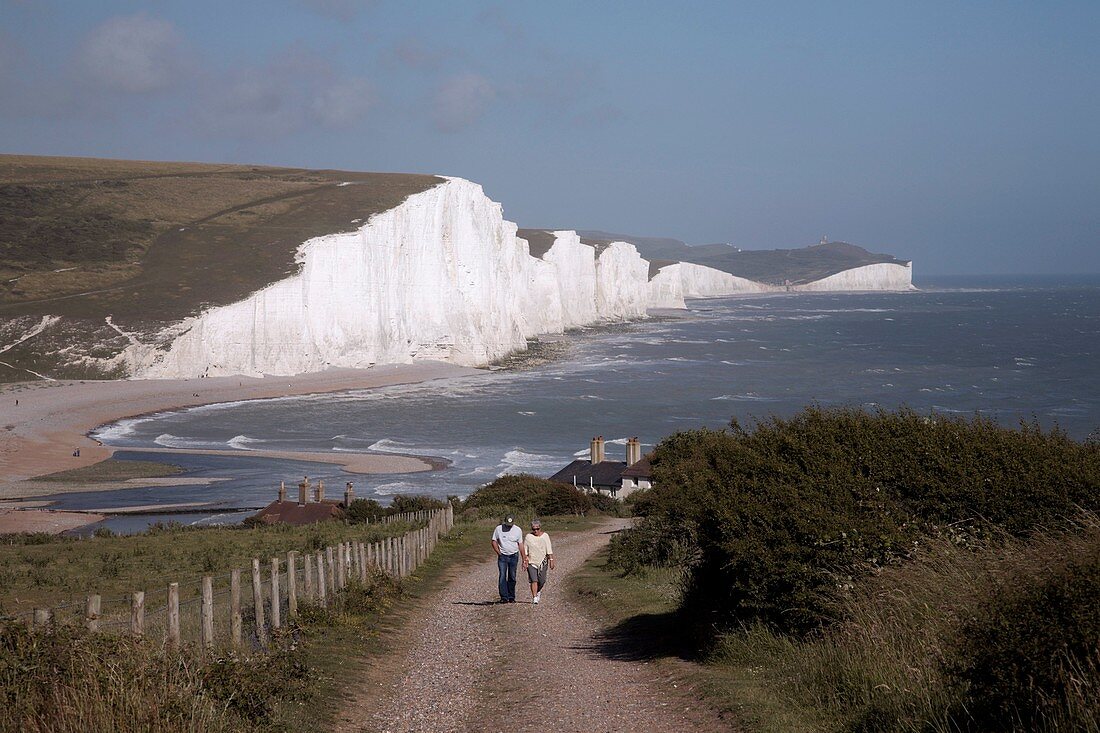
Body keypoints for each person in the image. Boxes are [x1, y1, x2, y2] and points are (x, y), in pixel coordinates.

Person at [491, 515, 526, 603]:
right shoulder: (498, 529)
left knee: (512, 576)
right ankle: (504, 597)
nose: (508, 526)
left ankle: (511, 596)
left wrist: (524, 558)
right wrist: (498, 552)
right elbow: (494, 541)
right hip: (503, 556)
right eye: (507, 524)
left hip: (514, 555)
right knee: (502, 576)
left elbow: (520, 545)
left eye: (510, 524)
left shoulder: (518, 530)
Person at [522, 518, 554, 604]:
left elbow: (549, 549)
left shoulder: (545, 536)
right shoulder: (528, 537)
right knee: (534, 580)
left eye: (537, 529)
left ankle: (538, 590)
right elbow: (525, 550)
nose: (535, 531)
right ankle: (534, 597)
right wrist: (525, 561)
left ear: (540, 528)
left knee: (542, 580)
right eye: (533, 529)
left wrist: (551, 559)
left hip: (542, 561)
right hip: (531, 562)